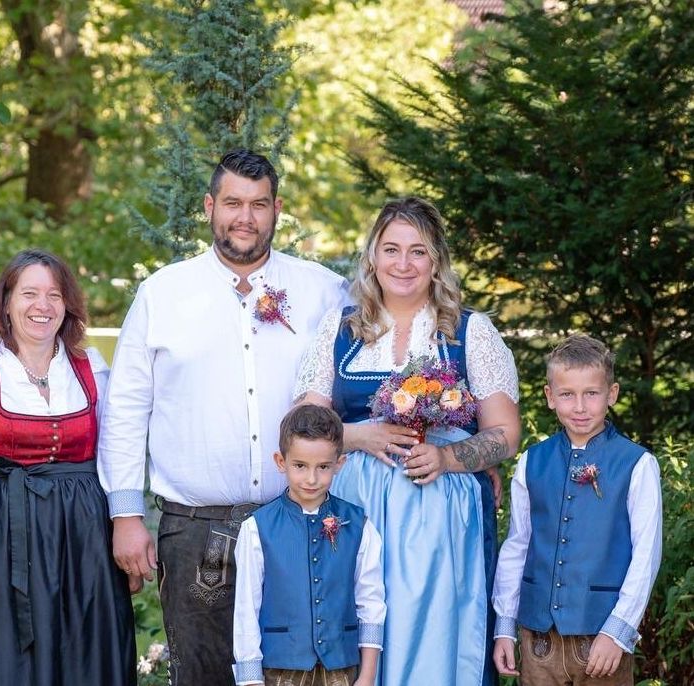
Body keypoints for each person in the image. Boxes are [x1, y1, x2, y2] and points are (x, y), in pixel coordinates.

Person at [98, 149, 348, 685]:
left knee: (301, 674)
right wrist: (125, 514)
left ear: (277, 209)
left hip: (298, 519)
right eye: (233, 202)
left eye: (259, 204)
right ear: (210, 206)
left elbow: (358, 389)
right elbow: (124, 412)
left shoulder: (323, 292)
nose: (245, 217)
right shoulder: (163, 294)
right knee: (202, 676)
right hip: (195, 530)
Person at [294, 197, 521, 685]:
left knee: (437, 636)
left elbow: (506, 433)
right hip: (357, 509)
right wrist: (356, 434)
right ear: (372, 255)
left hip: (442, 519)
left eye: (417, 251)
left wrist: (447, 455)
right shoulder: (342, 329)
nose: (403, 264)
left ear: (436, 260)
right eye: (391, 249)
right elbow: (301, 425)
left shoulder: (467, 331)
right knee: (360, 628)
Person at [0, 249, 136, 686]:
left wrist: (124, 528)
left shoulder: (91, 368)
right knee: (2, 665)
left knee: (83, 662)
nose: (43, 306)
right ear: (6, 302)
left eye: (54, 295)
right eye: (30, 293)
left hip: (82, 548)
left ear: (67, 305)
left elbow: (117, 454)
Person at [492, 334, 662, 685]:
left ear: (611, 394)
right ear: (550, 397)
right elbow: (517, 546)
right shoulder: (531, 462)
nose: (580, 407)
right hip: (538, 639)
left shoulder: (637, 464)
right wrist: (504, 626)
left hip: (602, 638)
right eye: (567, 394)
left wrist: (618, 632)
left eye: (592, 393)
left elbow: (646, 555)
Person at [232, 404, 386, 686]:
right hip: (280, 670)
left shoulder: (358, 525)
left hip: (341, 667)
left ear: (339, 464)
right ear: (281, 462)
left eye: (323, 467)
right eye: (300, 466)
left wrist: (367, 675)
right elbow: (246, 609)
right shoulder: (257, 528)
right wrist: (250, 679)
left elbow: (371, 603)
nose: (312, 478)